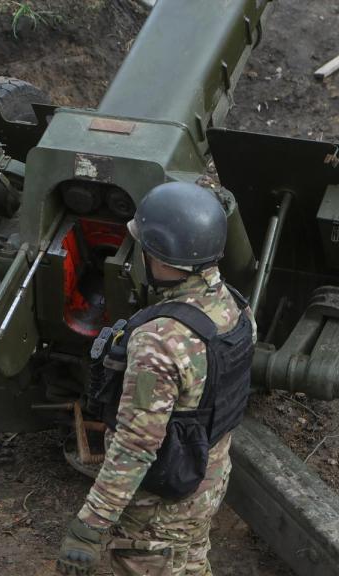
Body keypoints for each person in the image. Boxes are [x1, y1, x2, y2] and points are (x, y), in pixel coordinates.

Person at [56, 182, 256, 576]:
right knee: (191, 560)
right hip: (206, 482)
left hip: (159, 507)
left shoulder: (159, 342)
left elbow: (135, 446)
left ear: (158, 254)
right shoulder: (235, 308)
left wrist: (90, 525)